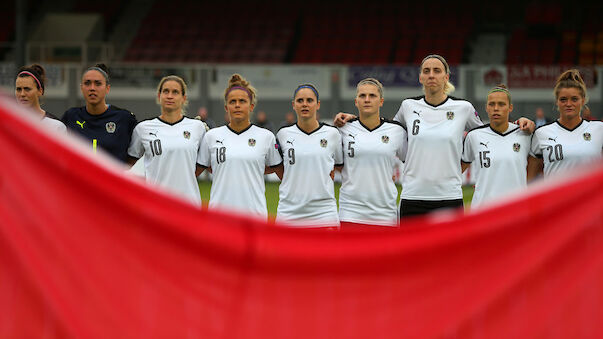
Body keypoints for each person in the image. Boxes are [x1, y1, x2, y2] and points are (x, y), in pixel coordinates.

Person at [334, 54, 534, 218]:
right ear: (420, 77)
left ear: (447, 77)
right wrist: (355, 119)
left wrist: (518, 123)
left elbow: (487, 134)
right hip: (412, 196)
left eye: (437, 71)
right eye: (426, 71)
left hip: (449, 196)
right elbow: (386, 129)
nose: (431, 75)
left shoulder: (463, 108)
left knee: (448, 263)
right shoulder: (408, 106)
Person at [197, 74, 282, 219]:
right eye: (233, 101)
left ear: (251, 106)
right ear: (226, 107)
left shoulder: (266, 136)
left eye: (242, 101)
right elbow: (194, 172)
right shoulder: (211, 136)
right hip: (219, 217)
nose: (237, 105)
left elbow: (282, 173)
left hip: (255, 218)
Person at [337, 78, 407, 227]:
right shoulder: (341, 129)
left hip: (385, 214)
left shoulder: (397, 131)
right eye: (362, 96)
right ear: (356, 101)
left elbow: (411, 163)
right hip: (350, 213)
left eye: (372, 96)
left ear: (381, 101)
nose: (367, 100)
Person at [127, 75, 206, 206]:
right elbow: (127, 164)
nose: (170, 96)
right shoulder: (143, 128)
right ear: (159, 96)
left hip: (189, 205)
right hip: (156, 205)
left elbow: (205, 163)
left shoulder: (197, 127)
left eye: (175, 92)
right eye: (166, 91)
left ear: (184, 98)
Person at [274, 84, 342, 228]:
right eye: (300, 101)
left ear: (317, 105)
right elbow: (276, 166)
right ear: (293, 105)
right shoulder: (282, 134)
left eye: (309, 100)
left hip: (324, 214)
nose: (305, 104)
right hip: (289, 213)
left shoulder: (333, 134)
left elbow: (340, 165)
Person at [461, 85, 532, 208]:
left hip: (516, 211)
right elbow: (459, 169)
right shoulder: (474, 136)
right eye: (492, 104)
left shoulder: (526, 134)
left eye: (501, 104)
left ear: (510, 108)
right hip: (482, 210)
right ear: (486, 108)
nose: (496, 108)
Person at [528, 69, 603, 180]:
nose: (568, 104)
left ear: (582, 100)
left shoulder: (599, 129)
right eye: (563, 99)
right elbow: (530, 179)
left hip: (590, 197)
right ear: (557, 101)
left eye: (574, 99)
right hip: (556, 197)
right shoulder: (541, 133)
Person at [62, 63, 137, 163]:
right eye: (87, 83)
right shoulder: (70, 116)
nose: (92, 88)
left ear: (107, 88)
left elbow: (135, 156)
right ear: (81, 87)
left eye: (98, 83)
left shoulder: (124, 119)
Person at [15, 64, 66, 133]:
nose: (22, 94)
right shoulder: (6, 124)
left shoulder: (56, 126)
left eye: (27, 89)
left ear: (40, 91)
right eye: (18, 89)